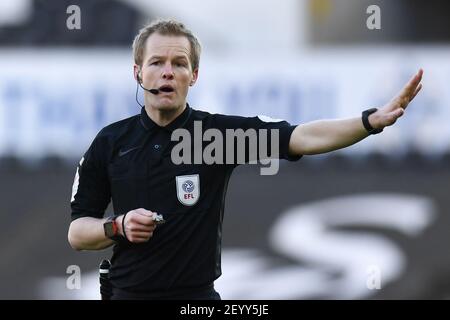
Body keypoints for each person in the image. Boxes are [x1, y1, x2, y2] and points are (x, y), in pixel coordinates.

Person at [68, 18, 423, 300]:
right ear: (138, 72)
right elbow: (77, 233)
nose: (168, 72)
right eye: (157, 62)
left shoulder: (218, 137)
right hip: (127, 294)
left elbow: (303, 136)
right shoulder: (111, 142)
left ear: (194, 75)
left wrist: (369, 122)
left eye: (179, 63)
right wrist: (119, 226)